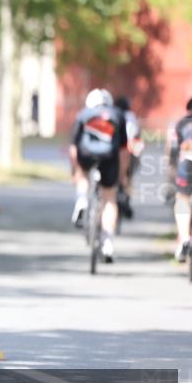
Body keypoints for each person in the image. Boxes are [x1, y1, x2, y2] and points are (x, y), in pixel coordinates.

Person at [69, 88, 129, 263]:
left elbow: (73, 147)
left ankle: (82, 200)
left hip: (86, 155)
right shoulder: (118, 115)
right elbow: (124, 150)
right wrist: (122, 174)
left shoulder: (84, 114)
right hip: (110, 157)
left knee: (83, 174)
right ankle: (108, 242)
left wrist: (75, 171)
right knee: (109, 198)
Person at [169, 94, 192, 262]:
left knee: (182, 198)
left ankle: (185, 237)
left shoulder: (182, 123)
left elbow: (174, 149)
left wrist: (173, 169)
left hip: (188, 160)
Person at [113, 95, 144, 219]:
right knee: (129, 177)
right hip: (130, 149)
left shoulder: (113, 115)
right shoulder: (132, 117)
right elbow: (137, 135)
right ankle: (126, 199)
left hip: (116, 150)